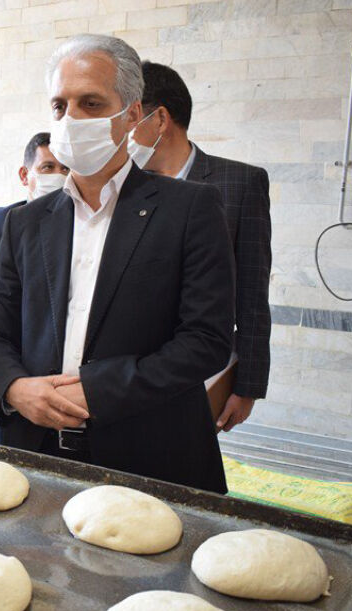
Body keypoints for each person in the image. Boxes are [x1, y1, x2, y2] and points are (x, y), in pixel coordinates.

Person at [0, 34, 235, 493]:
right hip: (35, 452)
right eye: (60, 106)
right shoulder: (26, 222)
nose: (71, 119)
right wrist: (15, 388)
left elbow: (206, 340)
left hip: (147, 455)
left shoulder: (188, 208)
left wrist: (98, 389)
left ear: (132, 113)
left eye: (91, 103)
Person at [130, 61, 272, 434]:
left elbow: (253, 292)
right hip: (130, 370)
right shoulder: (125, 188)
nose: (118, 130)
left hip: (204, 370)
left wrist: (248, 385)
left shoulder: (239, 183)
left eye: (129, 116)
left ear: (159, 119)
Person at [0, 132, 69, 443]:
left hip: (56, 367)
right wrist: (28, 316)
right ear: (26, 174)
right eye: (48, 168)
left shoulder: (81, 225)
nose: (58, 177)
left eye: (66, 169)